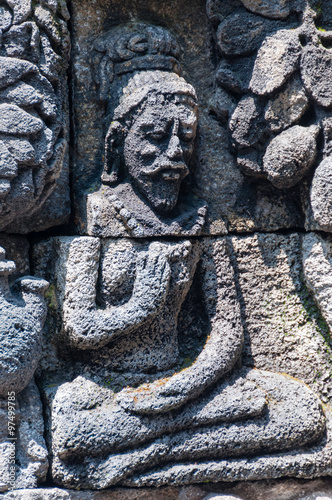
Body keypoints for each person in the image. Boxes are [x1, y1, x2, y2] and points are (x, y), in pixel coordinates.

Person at [40, 24, 330, 490]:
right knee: (75, 430)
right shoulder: (100, 216)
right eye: (154, 138)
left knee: (302, 414)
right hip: (108, 390)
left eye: (187, 138)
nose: (174, 153)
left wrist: (184, 387)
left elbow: (228, 335)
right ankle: (153, 451)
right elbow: (76, 327)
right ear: (118, 144)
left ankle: (142, 457)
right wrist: (141, 306)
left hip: (189, 387)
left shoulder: (200, 222)